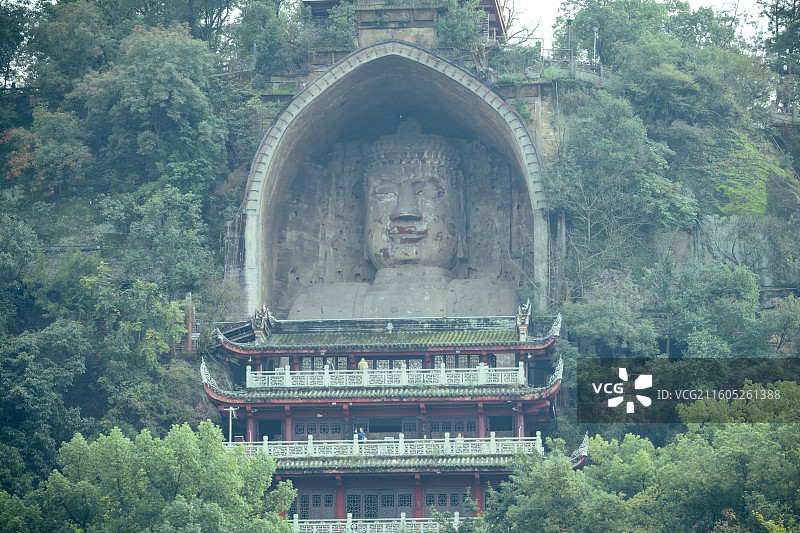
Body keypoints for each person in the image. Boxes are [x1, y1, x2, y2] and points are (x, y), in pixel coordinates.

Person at [287, 119, 519, 319]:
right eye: (385, 193)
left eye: (427, 192)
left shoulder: (494, 301)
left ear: (459, 203)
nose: (405, 211)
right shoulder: (317, 305)